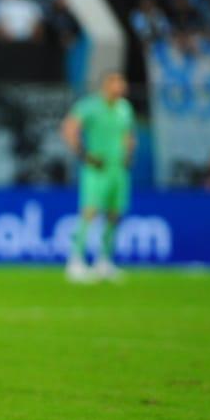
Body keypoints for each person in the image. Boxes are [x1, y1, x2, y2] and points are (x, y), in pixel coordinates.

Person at [61, 72, 134, 282]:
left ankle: (104, 261)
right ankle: (75, 261)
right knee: (90, 212)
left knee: (114, 214)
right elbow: (69, 128)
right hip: (97, 168)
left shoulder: (124, 108)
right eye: (116, 83)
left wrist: (129, 154)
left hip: (118, 169)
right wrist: (83, 154)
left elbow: (127, 135)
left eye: (122, 83)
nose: (120, 87)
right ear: (106, 85)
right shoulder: (90, 106)